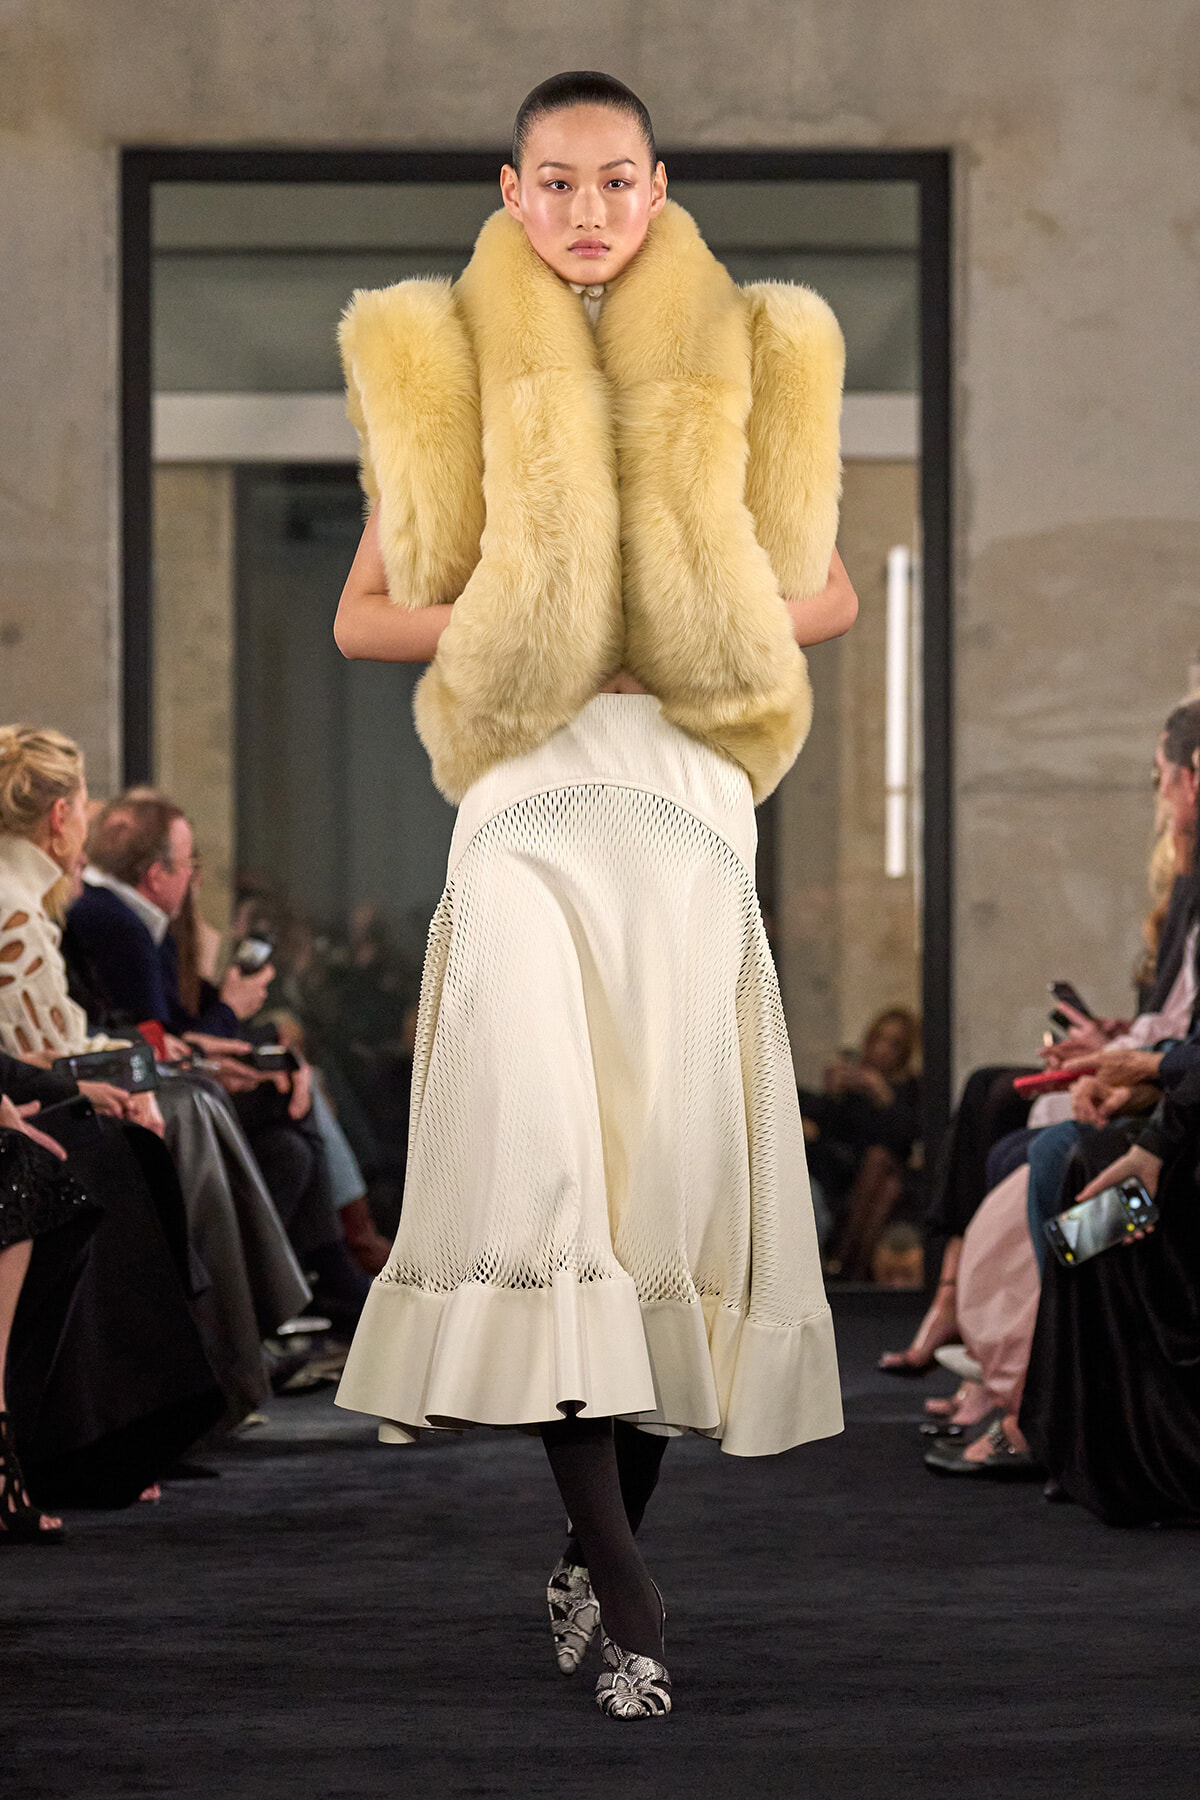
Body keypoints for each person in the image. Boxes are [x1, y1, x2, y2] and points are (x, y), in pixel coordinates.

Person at [330, 71, 853, 1717]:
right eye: (554, 183)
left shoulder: (758, 356)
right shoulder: (444, 365)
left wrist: (678, 633)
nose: (585, 210)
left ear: (656, 185)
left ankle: (597, 1543)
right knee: (555, 1168)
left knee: (663, 1191)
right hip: (530, 804)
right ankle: (629, 1593)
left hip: (690, 802)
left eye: (614, 181)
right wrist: (533, 621)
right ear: (510, 191)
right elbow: (366, 614)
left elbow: (822, 590)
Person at [799, 1006, 922, 1280]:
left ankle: (846, 1266)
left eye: (893, 1044)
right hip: (846, 1172)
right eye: (878, 1039)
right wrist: (834, 1094)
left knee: (883, 1172)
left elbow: (909, 1138)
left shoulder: (911, 1088)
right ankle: (849, 1267)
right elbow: (831, 1134)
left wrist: (882, 1095)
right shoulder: (854, 1085)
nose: (882, 1049)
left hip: (892, 1175)